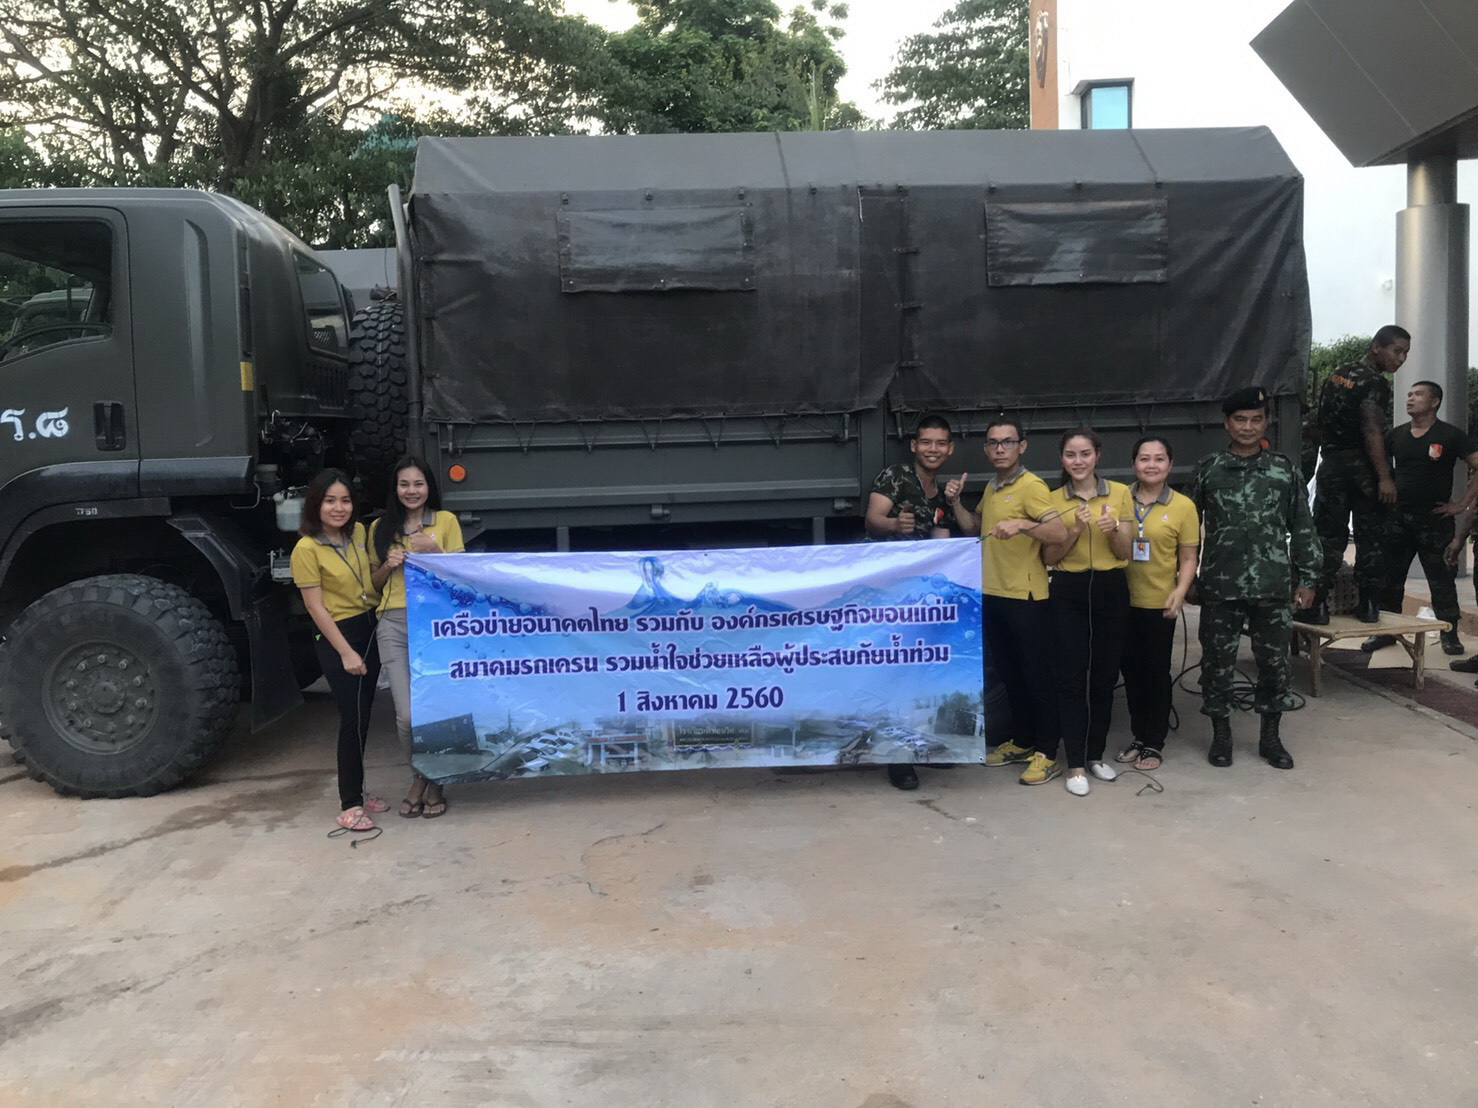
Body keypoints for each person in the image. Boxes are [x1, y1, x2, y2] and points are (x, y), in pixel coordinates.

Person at [1191, 388, 1320, 769]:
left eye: (1256, 420)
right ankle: (1221, 736)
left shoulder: (1283, 470)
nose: (1248, 427)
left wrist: (1308, 577)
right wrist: (1187, 578)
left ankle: (1271, 738)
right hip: (1221, 583)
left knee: (1275, 665)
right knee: (1217, 664)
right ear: (1227, 423)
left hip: (1272, 583)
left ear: (1266, 423)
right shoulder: (1209, 469)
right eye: (1240, 420)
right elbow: (1186, 528)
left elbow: (1303, 526)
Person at [947, 416, 1068, 786]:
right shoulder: (993, 486)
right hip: (994, 593)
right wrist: (955, 503)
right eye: (993, 443)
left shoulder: (1032, 486)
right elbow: (973, 527)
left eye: (1008, 442)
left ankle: (1047, 752)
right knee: (1011, 675)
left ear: (1022, 446)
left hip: (1026, 597)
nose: (1000, 449)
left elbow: (1058, 531)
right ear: (986, 449)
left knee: (1037, 677)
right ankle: (1023, 741)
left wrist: (1023, 524)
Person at [865, 413, 962, 789]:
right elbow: (872, 520)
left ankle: (922, 745)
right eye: (926, 442)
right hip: (890, 595)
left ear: (949, 449)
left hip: (923, 599)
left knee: (924, 673)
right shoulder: (895, 476)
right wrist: (894, 525)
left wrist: (953, 507)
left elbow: (944, 541)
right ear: (914, 446)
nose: (932, 449)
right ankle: (898, 758)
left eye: (940, 443)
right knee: (895, 674)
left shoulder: (942, 492)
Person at [1036, 428, 1133, 796]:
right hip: (1067, 590)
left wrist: (1112, 530)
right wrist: (1074, 530)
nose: (1078, 461)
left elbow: (1125, 551)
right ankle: (1074, 763)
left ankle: (1095, 755)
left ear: (1098, 455)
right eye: (1071, 455)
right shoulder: (1051, 499)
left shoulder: (1120, 493)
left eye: (1085, 453)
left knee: (1104, 676)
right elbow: (1048, 556)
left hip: (1110, 588)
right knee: (1070, 676)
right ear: (1062, 459)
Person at [370, 457, 465, 818]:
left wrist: (435, 554)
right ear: (395, 489)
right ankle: (421, 776)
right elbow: (373, 585)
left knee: (438, 709)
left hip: (438, 625)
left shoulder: (446, 521)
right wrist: (387, 565)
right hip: (394, 623)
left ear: (429, 487)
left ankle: (434, 783)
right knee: (408, 716)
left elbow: (463, 579)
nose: (411, 491)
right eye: (404, 484)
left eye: (418, 484)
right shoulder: (379, 527)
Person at [291, 469, 385, 831]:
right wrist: (346, 652)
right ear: (315, 504)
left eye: (345, 500)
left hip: (368, 625)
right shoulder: (306, 549)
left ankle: (361, 790)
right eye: (330, 501)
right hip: (337, 634)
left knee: (364, 712)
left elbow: (371, 580)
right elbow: (315, 608)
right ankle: (350, 804)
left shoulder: (359, 533)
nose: (338, 508)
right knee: (351, 716)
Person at [1300, 325, 1409, 624]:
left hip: (1332, 465)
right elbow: (1372, 430)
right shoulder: (1375, 383)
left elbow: (1318, 424)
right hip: (1363, 469)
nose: (1401, 359)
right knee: (1372, 537)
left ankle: (1316, 605)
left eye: (1405, 353)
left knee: (1327, 536)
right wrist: (1384, 477)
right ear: (1376, 347)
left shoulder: (1337, 375)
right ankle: (1369, 605)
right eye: (1397, 351)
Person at [1361, 381, 1476, 658]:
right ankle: (1386, 631)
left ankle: (1449, 633)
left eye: (1418, 394)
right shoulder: (1396, 435)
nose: (1410, 398)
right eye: (1409, 394)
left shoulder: (1450, 435)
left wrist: (1461, 503)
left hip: (1434, 519)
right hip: (1397, 518)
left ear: (1435, 401)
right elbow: (1377, 463)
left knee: (1442, 579)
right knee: (1390, 578)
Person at [1115, 436, 1199, 771]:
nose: (1151, 465)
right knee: (1131, 673)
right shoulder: (1119, 498)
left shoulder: (1183, 506)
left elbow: (1189, 557)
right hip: (1121, 601)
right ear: (1134, 463)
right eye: (1144, 458)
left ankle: (1154, 742)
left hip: (1159, 603)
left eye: (1159, 459)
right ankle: (1139, 736)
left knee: (1155, 673)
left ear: (1170, 465)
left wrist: (1181, 590)